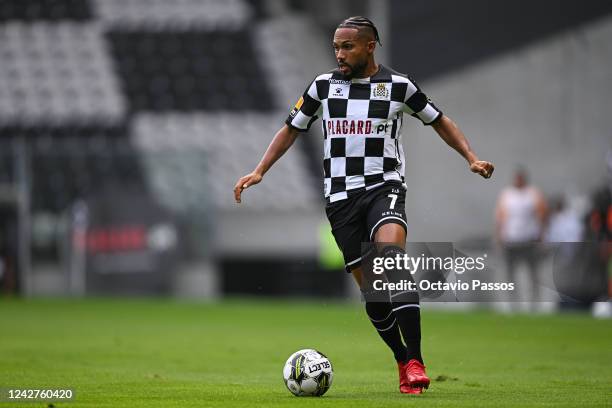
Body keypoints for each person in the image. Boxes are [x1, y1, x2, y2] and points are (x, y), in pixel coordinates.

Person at [234, 16, 494, 394]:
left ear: (370, 46)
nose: (339, 54)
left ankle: (418, 361)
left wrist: (470, 156)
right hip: (340, 200)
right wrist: (260, 171)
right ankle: (403, 360)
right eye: (336, 47)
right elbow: (290, 128)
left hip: (383, 187)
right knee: (374, 293)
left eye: (347, 47)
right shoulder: (322, 87)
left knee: (391, 260)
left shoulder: (397, 86)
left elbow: (439, 120)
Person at [495, 168, 547, 304]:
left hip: (528, 239)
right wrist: (499, 236)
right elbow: (500, 217)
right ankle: (513, 302)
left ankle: (534, 301)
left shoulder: (532, 193)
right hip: (511, 239)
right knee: (510, 274)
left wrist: (541, 235)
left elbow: (542, 215)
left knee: (532, 273)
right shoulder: (507, 194)